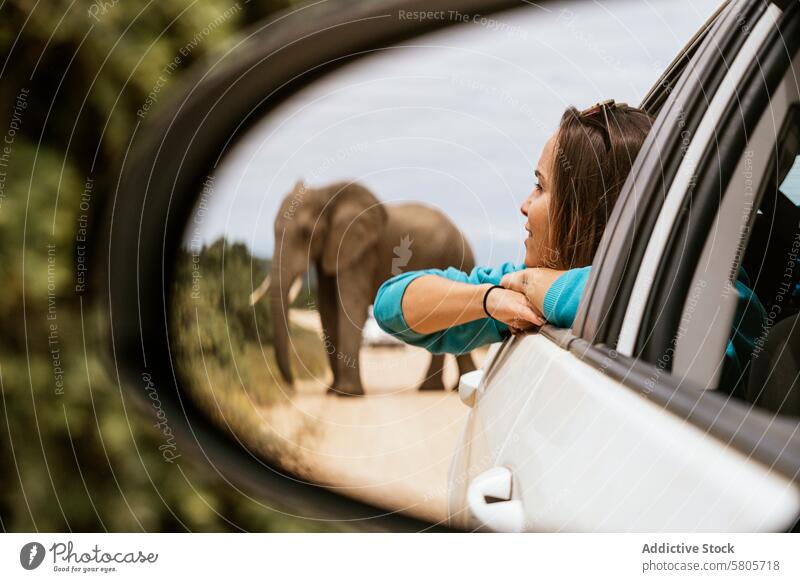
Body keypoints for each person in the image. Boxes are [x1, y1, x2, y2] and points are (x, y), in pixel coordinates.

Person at [373, 101, 765, 390]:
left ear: (589, 208)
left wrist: (540, 288)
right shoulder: (525, 285)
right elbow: (392, 304)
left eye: (541, 187)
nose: (524, 205)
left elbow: (661, 305)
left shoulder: (714, 290)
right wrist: (491, 299)